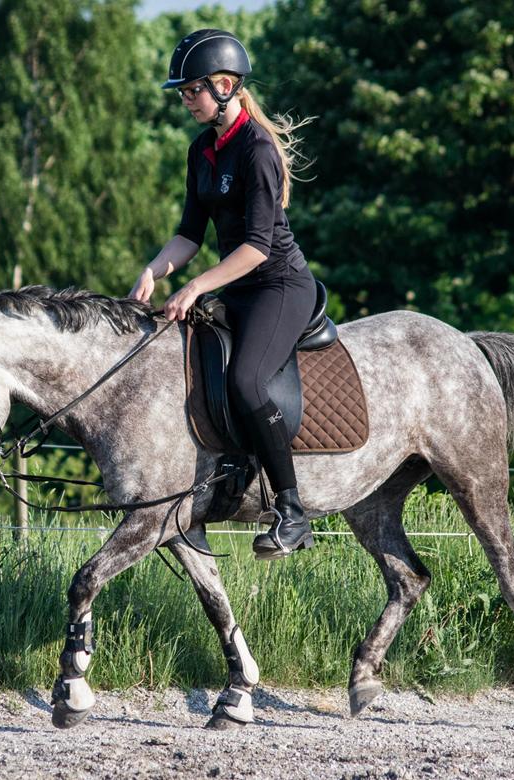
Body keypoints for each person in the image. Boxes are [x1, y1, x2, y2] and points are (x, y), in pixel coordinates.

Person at [129, 29, 317, 559]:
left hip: (277, 285)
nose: (186, 100)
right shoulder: (201, 150)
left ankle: (292, 511)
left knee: (246, 378)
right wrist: (155, 271)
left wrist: (193, 285)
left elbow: (257, 248)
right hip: (234, 286)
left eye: (192, 91)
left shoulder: (256, 150)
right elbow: (190, 233)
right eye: (183, 92)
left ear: (227, 86)